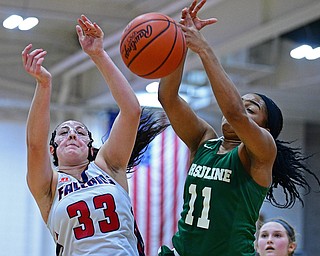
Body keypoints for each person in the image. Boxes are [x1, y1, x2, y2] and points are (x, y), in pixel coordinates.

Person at [157, 0, 320, 255]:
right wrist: (180, 43)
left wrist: (204, 48)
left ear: (265, 128)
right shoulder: (204, 140)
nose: (237, 109)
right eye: (240, 102)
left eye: (251, 108)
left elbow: (235, 114)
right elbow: (168, 97)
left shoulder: (261, 151)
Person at [22, 15, 168, 256]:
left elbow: (131, 111)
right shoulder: (49, 187)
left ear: (91, 148)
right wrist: (44, 84)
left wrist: (98, 54)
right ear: (53, 150)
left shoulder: (109, 167)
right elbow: (34, 144)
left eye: (80, 132)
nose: (71, 135)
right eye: (63, 133)